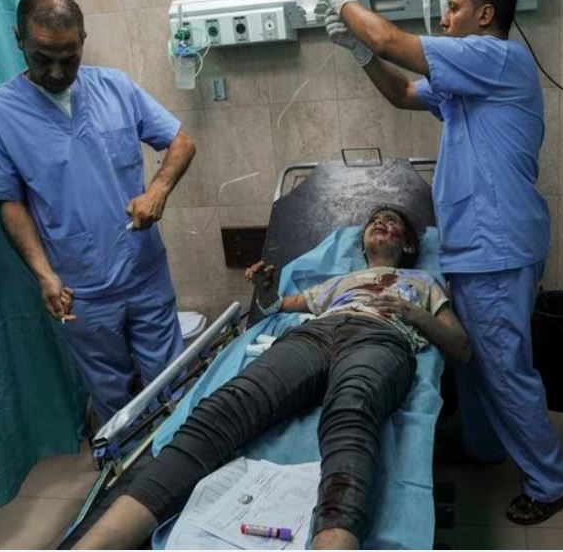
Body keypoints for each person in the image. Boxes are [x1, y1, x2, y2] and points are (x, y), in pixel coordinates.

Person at [312, 0, 563, 524]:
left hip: (497, 246)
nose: (444, 18)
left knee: (504, 367)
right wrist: (360, 55)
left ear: (485, 14)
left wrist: (340, 1)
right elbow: (404, 91)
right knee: (474, 363)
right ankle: (484, 446)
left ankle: (550, 481)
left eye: (454, 7)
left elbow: (391, 40)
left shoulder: (494, 57)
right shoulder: (467, 79)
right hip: (476, 246)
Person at [73, 206, 471, 550]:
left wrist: (414, 313)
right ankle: (97, 544)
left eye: (392, 222)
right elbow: (279, 306)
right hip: (314, 334)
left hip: (380, 338)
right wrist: (266, 291)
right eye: (375, 221)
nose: (382, 223)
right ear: (362, 243)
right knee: (226, 407)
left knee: (351, 415)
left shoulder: (424, 283)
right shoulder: (339, 282)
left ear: (408, 246)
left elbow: (461, 347)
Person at [0, 0, 196, 425]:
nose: (56, 71)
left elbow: (181, 143)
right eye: (42, 58)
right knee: (113, 396)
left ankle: (183, 456)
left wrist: (158, 189)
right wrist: (44, 275)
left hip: (143, 270)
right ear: (18, 39)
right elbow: (10, 203)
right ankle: (127, 463)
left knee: (172, 383)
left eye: (68, 58)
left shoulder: (115, 88)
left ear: (83, 39)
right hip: (78, 288)